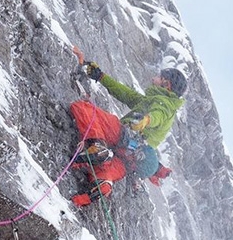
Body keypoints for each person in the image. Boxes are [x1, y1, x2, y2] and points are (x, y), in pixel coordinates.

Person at [69, 64, 186, 207]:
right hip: (129, 161)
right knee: (101, 174)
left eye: (158, 77)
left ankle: (97, 146)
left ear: (166, 84)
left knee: (83, 108)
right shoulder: (154, 102)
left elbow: (158, 115)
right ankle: (103, 184)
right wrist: (101, 76)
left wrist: (146, 120)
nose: (153, 78)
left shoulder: (163, 104)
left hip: (124, 137)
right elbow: (125, 94)